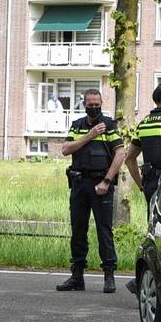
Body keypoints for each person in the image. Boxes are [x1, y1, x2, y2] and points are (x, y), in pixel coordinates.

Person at [57, 89, 126, 294]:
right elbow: (66, 149)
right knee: (78, 229)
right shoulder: (77, 125)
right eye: (90, 103)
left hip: (101, 186)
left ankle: (109, 275)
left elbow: (120, 153)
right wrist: (89, 135)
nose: (94, 107)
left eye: (97, 104)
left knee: (104, 230)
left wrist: (107, 181)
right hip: (79, 184)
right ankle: (77, 276)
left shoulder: (109, 125)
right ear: (84, 104)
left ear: (102, 103)